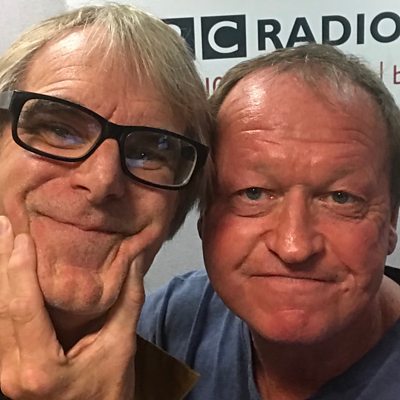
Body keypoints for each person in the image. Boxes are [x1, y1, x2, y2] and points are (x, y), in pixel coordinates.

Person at [138, 43, 400, 399]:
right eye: (254, 193)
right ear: (205, 212)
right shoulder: (173, 323)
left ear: (390, 220)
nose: (294, 246)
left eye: (341, 198)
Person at [0, 3, 211, 400]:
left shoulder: (178, 384)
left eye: (148, 152)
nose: (101, 182)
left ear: (178, 207)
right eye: (59, 129)